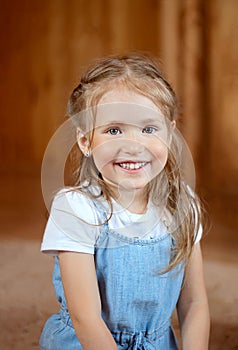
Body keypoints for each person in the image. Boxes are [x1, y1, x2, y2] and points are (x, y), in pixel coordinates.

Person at [40, 54, 210, 350]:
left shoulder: (181, 203)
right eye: (114, 130)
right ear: (86, 141)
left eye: (148, 129)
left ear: (169, 134)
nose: (134, 145)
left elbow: (194, 303)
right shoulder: (76, 209)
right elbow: (86, 318)